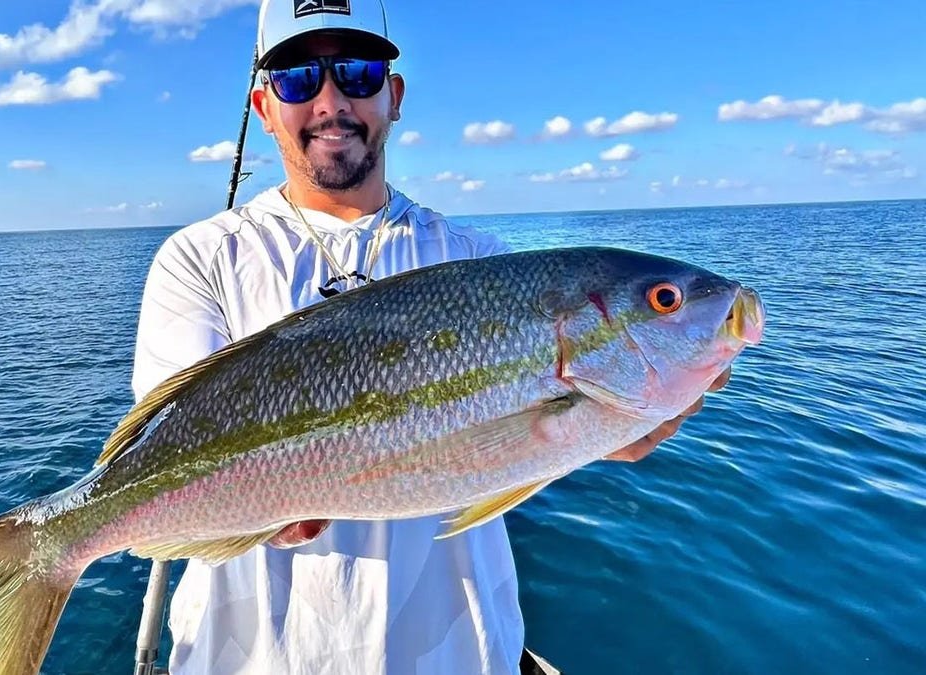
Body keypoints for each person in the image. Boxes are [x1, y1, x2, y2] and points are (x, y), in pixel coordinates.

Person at [130, 1, 731, 673]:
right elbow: (174, 450)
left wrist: (615, 432)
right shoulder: (200, 260)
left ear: (394, 94)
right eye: (300, 78)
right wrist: (242, 509)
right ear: (265, 107)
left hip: (460, 655)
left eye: (358, 72)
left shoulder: (479, 259)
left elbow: (546, 439)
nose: (331, 100)